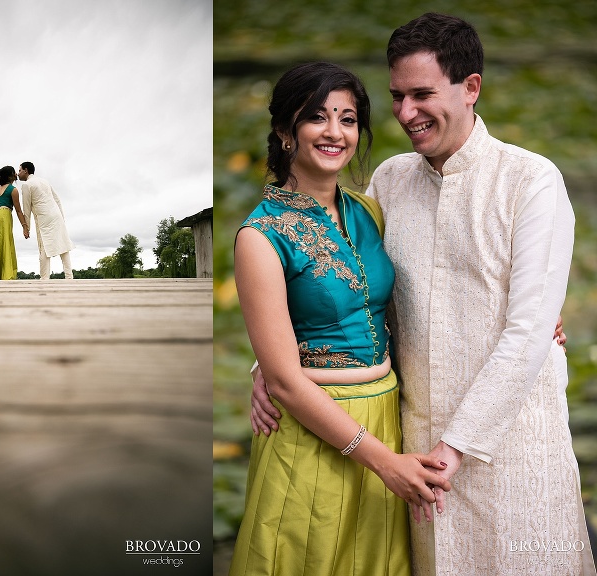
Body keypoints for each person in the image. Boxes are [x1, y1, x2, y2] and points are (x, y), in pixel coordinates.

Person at [250, 13, 596, 576]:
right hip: (410, 446)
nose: (406, 114)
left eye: (421, 95)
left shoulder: (530, 181)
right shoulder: (390, 180)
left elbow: (528, 331)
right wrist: (272, 366)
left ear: (471, 88)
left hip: (509, 447)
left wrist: (456, 447)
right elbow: (342, 285)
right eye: (396, 96)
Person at [229, 61, 452, 576]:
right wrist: (383, 461)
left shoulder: (369, 211)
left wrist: (534, 307)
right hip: (315, 430)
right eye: (317, 118)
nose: (335, 133)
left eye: (348, 119)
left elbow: (444, 276)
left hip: (387, 416)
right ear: (286, 131)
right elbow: (285, 379)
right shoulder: (261, 238)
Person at [18, 161, 75, 280]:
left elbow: (26, 209)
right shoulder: (44, 181)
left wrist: (26, 228)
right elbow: (57, 199)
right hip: (56, 215)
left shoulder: (26, 185)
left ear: (26, 170)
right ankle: (69, 277)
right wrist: (62, 217)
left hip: (44, 218)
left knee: (44, 247)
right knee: (63, 245)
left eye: (19, 170)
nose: (18, 174)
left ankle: (44, 278)